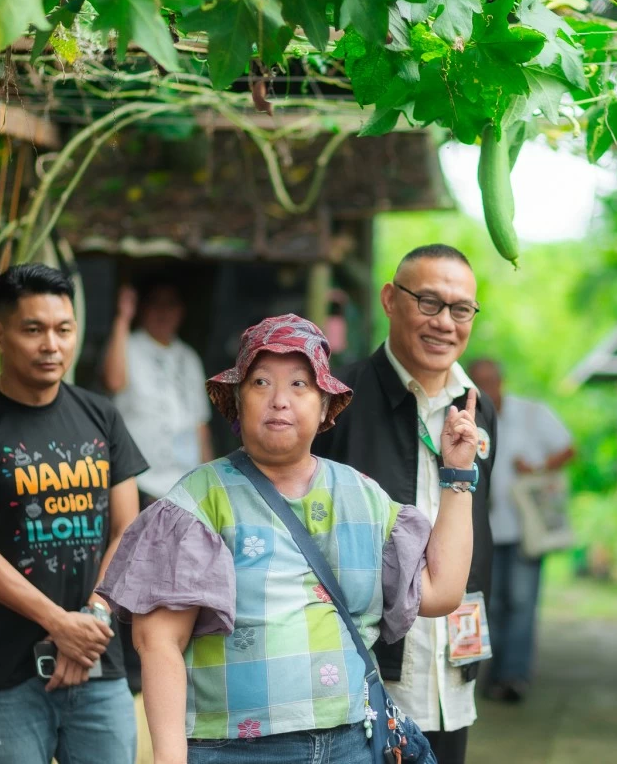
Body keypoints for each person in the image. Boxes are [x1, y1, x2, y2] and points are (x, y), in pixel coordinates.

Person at [98, 314, 480, 764]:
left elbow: (440, 591)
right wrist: (169, 756)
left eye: (299, 384)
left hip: (353, 742)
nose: (279, 400)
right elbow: (158, 640)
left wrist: (457, 477)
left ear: (324, 408)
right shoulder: (200, 500)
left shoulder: (362, 494)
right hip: (235, 750)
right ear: (237, 403)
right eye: (261, 383)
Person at [0, 263, 148, 764]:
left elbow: (127, 531)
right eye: (34, 329)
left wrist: (88, 620)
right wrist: (57, 623)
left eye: (63, 329)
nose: (52, 344)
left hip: (97, 663)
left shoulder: (101, 416)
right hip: (6, 675)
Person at [313, 244, 498, 764]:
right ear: (391, 300)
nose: (445, 323)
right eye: (429, 303)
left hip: (453, 659)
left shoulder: (478, 409)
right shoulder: (337, 400)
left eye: (460, 309)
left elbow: (479, 533)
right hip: (361, 667)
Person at [468, 358, 574, 704]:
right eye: (478, 381)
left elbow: (568, 449)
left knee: (522, 603)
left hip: (525, 530)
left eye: (491, 380)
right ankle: (491, 676)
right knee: (490, 604)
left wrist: (537, 468)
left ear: (502, 380)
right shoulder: (466, 416)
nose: (487, 388)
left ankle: (514, 677)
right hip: (483, 530)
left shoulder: (531, 413)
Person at [102, 278, 214, 504]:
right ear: (143, 308)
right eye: (156, 304)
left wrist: (210, 482)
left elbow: (200, 425)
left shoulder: (189, 356)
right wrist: (123, 318)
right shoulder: (127, 345)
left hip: (185, 484)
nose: (163, 312)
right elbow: (112, 381)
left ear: (181, 311)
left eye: (170, 304)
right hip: (138, 482)